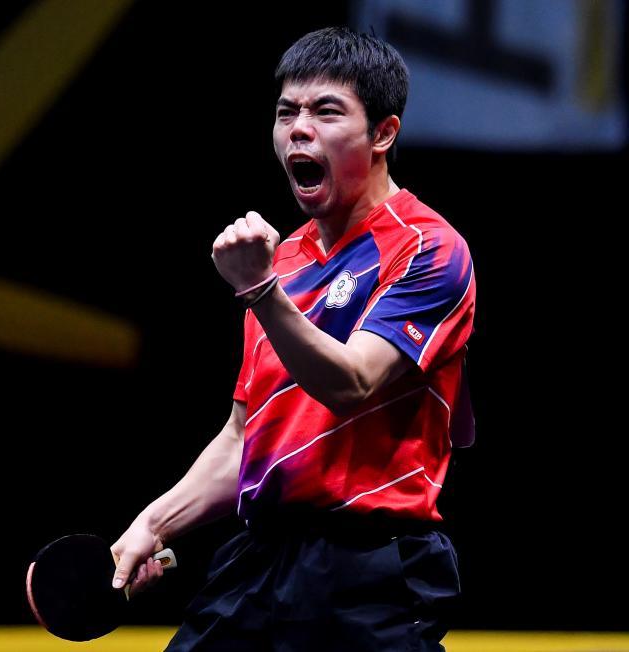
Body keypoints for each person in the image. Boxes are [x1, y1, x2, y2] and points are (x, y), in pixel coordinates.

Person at [110, 26, 476, 651]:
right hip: (260, 560)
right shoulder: (280, 263)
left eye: (326, 111)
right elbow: (242, 438)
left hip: (373, 565)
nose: (298, 130)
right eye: (286, 113)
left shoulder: (431, 249)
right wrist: (155, 522)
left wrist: (258, 292)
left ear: (383, 133)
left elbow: (352, 382)